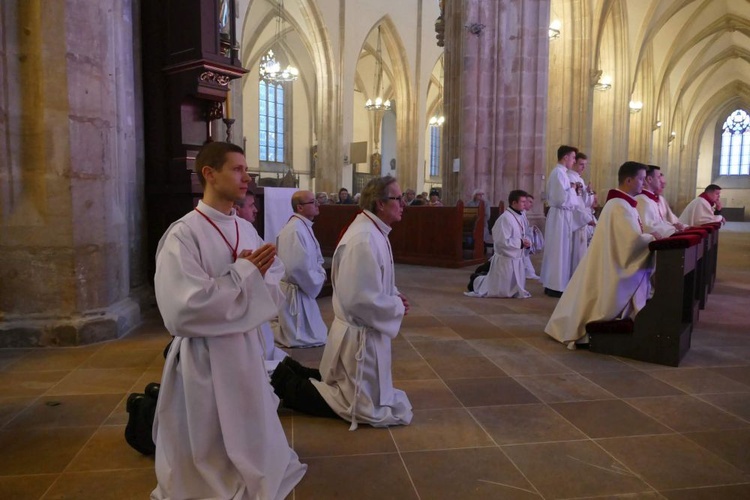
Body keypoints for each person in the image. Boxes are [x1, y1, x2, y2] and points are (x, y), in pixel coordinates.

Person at [151, 142, 305, 499]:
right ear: (209, 173)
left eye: (245, 169)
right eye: (237, 169)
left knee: (248, 420)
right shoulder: (183, 234)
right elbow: (182, 309)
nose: (246, 177)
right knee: (209, 432)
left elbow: (272, 286)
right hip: (206, 355)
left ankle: (249, 467)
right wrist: (242, 275)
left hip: (244, 347)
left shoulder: (245, 229)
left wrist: (250, 280)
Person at [271, 176, 413, 430]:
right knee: (356, 405)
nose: (403, 204)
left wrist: (394, 293)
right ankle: (284, 384)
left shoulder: (373, 231)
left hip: (362, 333)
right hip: (358, 337)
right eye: (398, 198)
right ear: (380, 204)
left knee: (353, 394)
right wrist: (396, 306)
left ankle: (289, 372)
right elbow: (360, 300)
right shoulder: (364, 239)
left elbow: (373, 279)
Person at [544, 161, 663, 350]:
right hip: (612, 265)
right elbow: (630, 242)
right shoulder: (618, 206)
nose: (643, 183)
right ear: (629, 180)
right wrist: (650, 238)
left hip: (612, 262)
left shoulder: (625, 204)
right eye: (640, 179)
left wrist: (648, 237)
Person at [235, 193, 289, 371]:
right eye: (251, 205)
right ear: (237, 209)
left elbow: (275, 264)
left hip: (258, 316)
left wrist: (261, 275)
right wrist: (247, 271)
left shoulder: (248, 229)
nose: (256, 210)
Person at [274, 190, 328, 348]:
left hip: (303, 288)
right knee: (300, 337)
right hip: (297, 290)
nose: (317, 204)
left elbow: (315, 256)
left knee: (317, 334)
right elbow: (296, 268)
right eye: (312, 202)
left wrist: (320, 271)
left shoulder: (304, 226)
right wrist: (317, 278)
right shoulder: (294, 230)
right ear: (300, 208)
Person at [466, 190, 531, 298]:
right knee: (499, 292)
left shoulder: (520, 216)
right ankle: (476, 280)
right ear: (514, 203)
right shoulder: (505, 218)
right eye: (523, 202)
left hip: (516, 258)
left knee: (513, 290)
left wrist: (527, 241)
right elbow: (502, 241)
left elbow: (524, 233)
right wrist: (520, 242)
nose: (525, 204)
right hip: (505, 261)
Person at [540, 145, 578, 297]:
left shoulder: (562, 173)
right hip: (559, 215)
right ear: (566, 157)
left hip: (563, 216)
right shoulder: (558, 173)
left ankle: (557, 284)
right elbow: (561, 198)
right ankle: (554, 286)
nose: (574, 161)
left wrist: (571, 189)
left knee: (561, 251)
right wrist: (573, 189)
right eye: (573, 157)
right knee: (557, 251)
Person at [568, 152, 597, 273]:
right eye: (581, 164)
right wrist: (585, 218)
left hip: (581, 219)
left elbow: (585, 203)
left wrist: (589, 192)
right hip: (575, 220)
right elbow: (572, 203)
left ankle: (578, 276)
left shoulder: (580, 179)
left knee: (580, 252)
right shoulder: (569, 177)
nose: (583, 167)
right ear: (574, 163)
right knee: (575, 252)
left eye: (585, 165)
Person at [636, 165, 678, 237]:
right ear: (649, 179)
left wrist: (673, 227)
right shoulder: (642, 200)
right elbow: (648, 228)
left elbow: (660, 222)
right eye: (658, 177)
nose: (660, 181)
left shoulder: (650, 200)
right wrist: (672, 230)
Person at [522, 195, 541, 279]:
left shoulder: (523, 213)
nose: (531, 205)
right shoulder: (520, 213)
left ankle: (529, 272)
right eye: (529, 202)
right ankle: (529, 273)